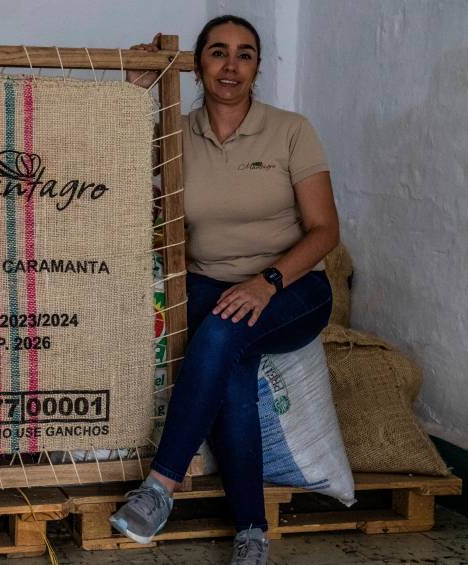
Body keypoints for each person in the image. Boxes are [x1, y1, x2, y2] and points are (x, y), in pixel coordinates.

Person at [110, 15, 339, 565]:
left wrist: (268, 282)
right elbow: (111, 167)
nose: (230, 66)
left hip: (294, 286)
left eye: (244, 54)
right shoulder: (174, 131)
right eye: (217, 52)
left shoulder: (291, 129)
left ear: (257, 66)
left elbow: (326, 231)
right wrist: (132, 93)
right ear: (197, 65)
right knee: (231, 359)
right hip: (208, 281)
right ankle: (253, 532)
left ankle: (160, 486)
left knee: (220, 334)